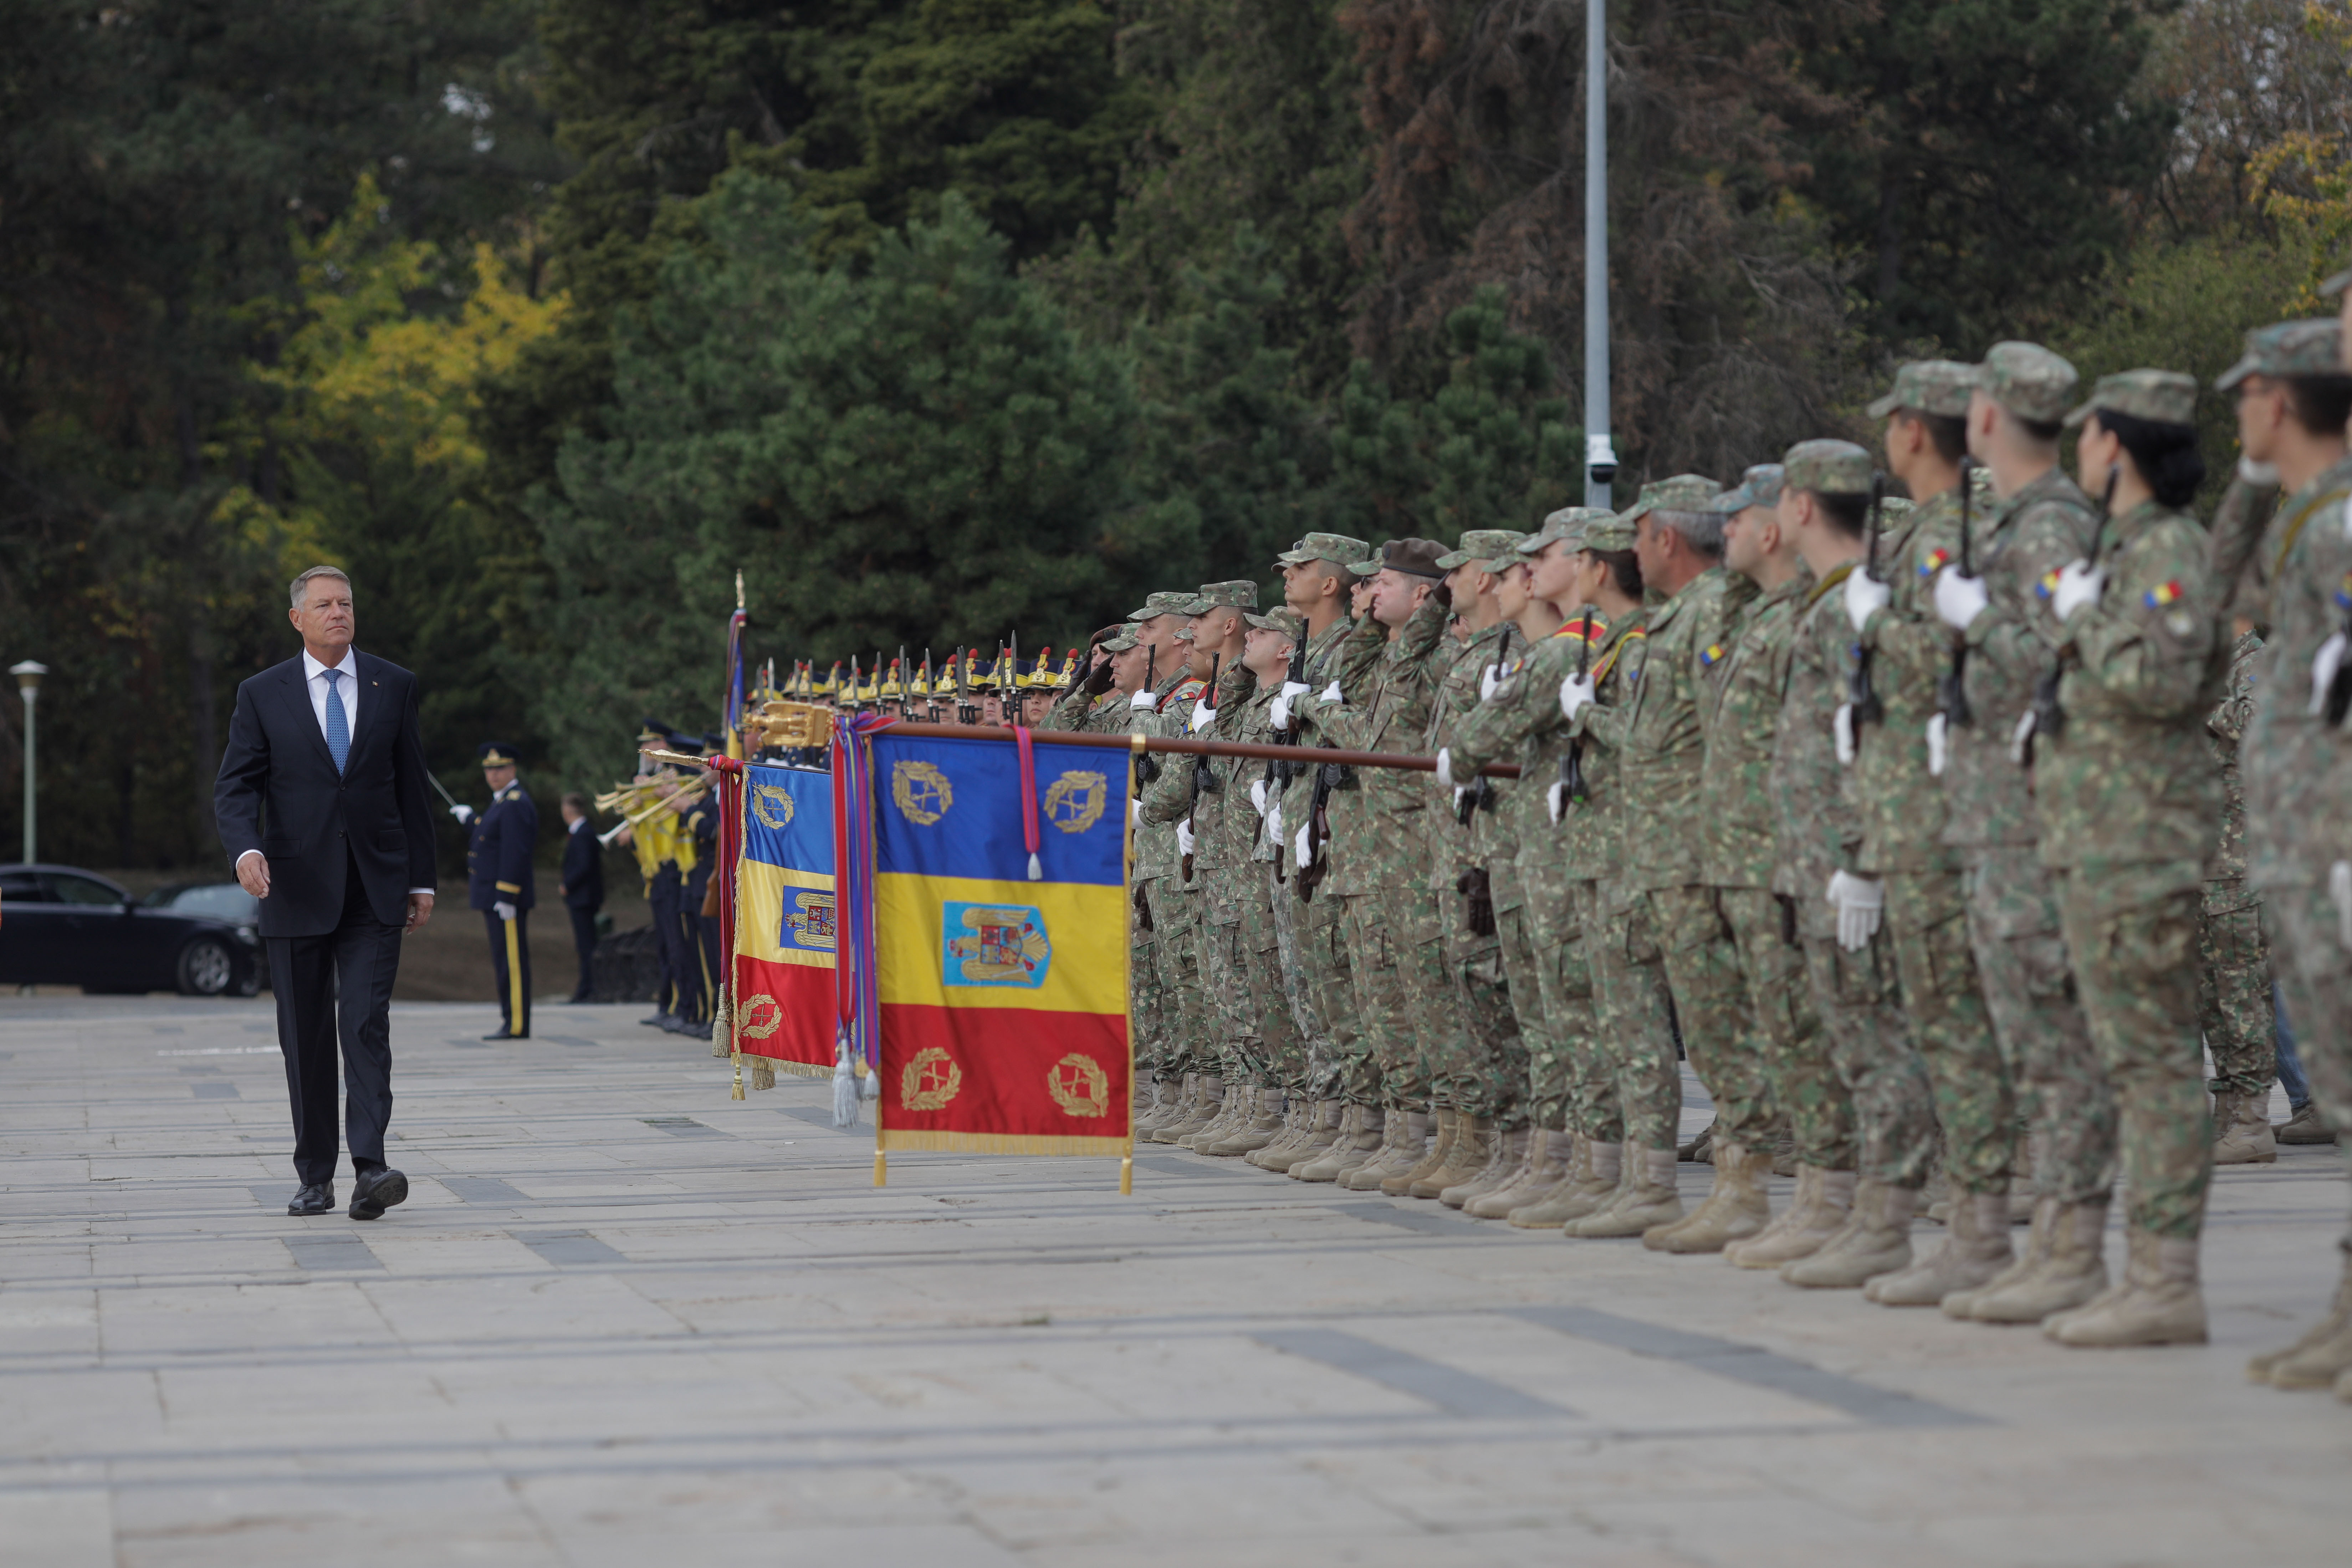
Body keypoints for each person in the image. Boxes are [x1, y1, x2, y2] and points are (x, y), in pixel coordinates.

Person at [214, 564, 436, 1222]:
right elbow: (235, 787)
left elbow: (412, 787)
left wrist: (421, 877)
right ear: (298, 619)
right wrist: (245, 849)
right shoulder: (262, 693)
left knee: (365, 1024)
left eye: (346, 602)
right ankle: (315, 1174)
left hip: (375, 887)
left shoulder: (393, 685)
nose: (338, 612)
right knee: (305, 1035)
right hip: (294, 886)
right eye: (325, 604)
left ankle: (371, 1167)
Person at [469, 742, 538, 1041]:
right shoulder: (501, 802)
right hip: (494, 896)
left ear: (512, 770)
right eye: (489, 769)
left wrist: (507, 895)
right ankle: (511, 1020)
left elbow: (515, 851)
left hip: (504, 898)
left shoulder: (514, 802)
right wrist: (470, 821)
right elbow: (491, 837)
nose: (493, 774)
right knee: (503, 961)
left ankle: (517, 1023)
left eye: (499, 769)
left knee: (512, 962)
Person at [559, 791, 603, 1003]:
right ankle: (588, 986)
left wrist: (568, 884)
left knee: (587, 945)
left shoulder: (583, 833)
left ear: (567, 811)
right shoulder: (581, 832)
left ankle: (590, 988)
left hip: (583, 898)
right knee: (585, 944)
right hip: (582, 897)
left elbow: (584, 866)